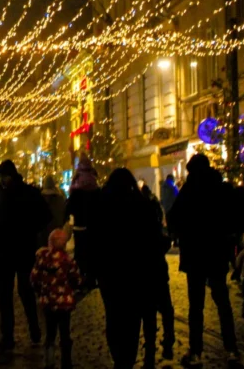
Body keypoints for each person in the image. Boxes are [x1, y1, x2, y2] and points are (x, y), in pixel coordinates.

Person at [167, 154, 241, 368]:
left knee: (196, 306)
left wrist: (182, 234)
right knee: (223, 302)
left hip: (195, 254)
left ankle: (196, 351)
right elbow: (236, 214)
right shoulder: (221, 188)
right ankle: (231, 348)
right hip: (216, 252)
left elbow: (173, 217)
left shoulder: (189, 191)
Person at [90, 168, 160, 369]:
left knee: (113, 314)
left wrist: (95, 268)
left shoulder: (102, 205)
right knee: (132, 316)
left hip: (110, 272)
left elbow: (94, 240)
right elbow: (153, 239)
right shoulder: (142, 205)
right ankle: (128, 357)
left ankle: (119, 356)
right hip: (137, 272)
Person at [0, 159, 51, 351]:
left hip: (20, 248)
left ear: (10, 176)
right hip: (11, 249)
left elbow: (45, 216)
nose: (1, 181)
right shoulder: (2, 193)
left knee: (23, 292)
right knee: (10, 294)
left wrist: (30, 229)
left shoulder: (27, 193)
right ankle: (11, 335)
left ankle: (30, 330)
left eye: (2, 177)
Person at [30, 226, 83, 369]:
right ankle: (66, 362)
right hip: (64, 304)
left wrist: (40, 290)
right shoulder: (67, 261)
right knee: (65, 333)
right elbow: (76, 279)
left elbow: (34, 278)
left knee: (50, 333)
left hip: (48, 302)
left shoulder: (42, 259)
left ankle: (49, 360)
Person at [142, 182, 175, 365]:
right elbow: (165, 243)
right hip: (159, 275)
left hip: (145, 277)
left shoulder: (138, 232)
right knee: (166, 309)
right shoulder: (155, 230)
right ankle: (169, 339)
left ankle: (150, 346)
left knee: (148, 314)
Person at [65, 156, 99, 285]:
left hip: (79, 225)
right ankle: (91, 277)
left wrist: (68, 216)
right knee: (91, 251)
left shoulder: (76, 185)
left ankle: (80, 276)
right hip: (92, 225)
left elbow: (70, 205)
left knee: (80, 250)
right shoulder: (94, 184)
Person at [41, 175, 68, 245]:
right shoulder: (60, 199)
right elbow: (64, 216)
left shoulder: (40, 199)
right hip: (57, 233)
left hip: (43, 233)